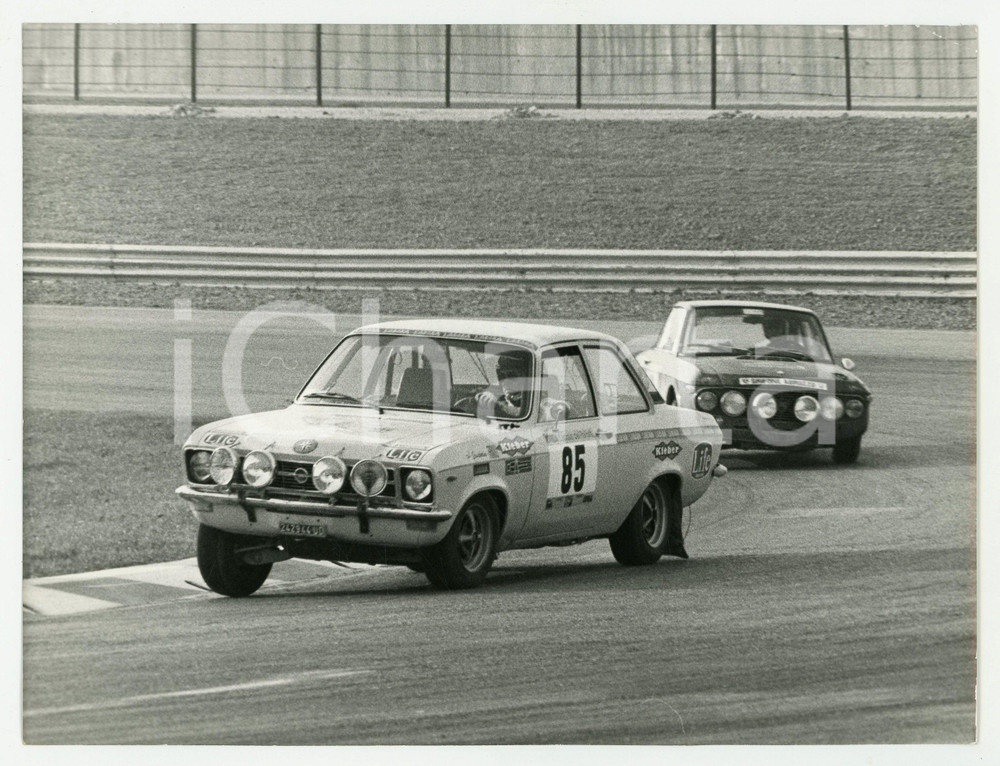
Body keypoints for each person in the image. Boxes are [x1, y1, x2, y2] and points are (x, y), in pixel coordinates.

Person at [474, 351, 532, 418]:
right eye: (501, 375)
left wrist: (500, 407)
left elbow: (521, 413)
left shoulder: (537, 400)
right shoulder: (496, 393)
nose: (506, 380)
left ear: (526, 376)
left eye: (512, 375)